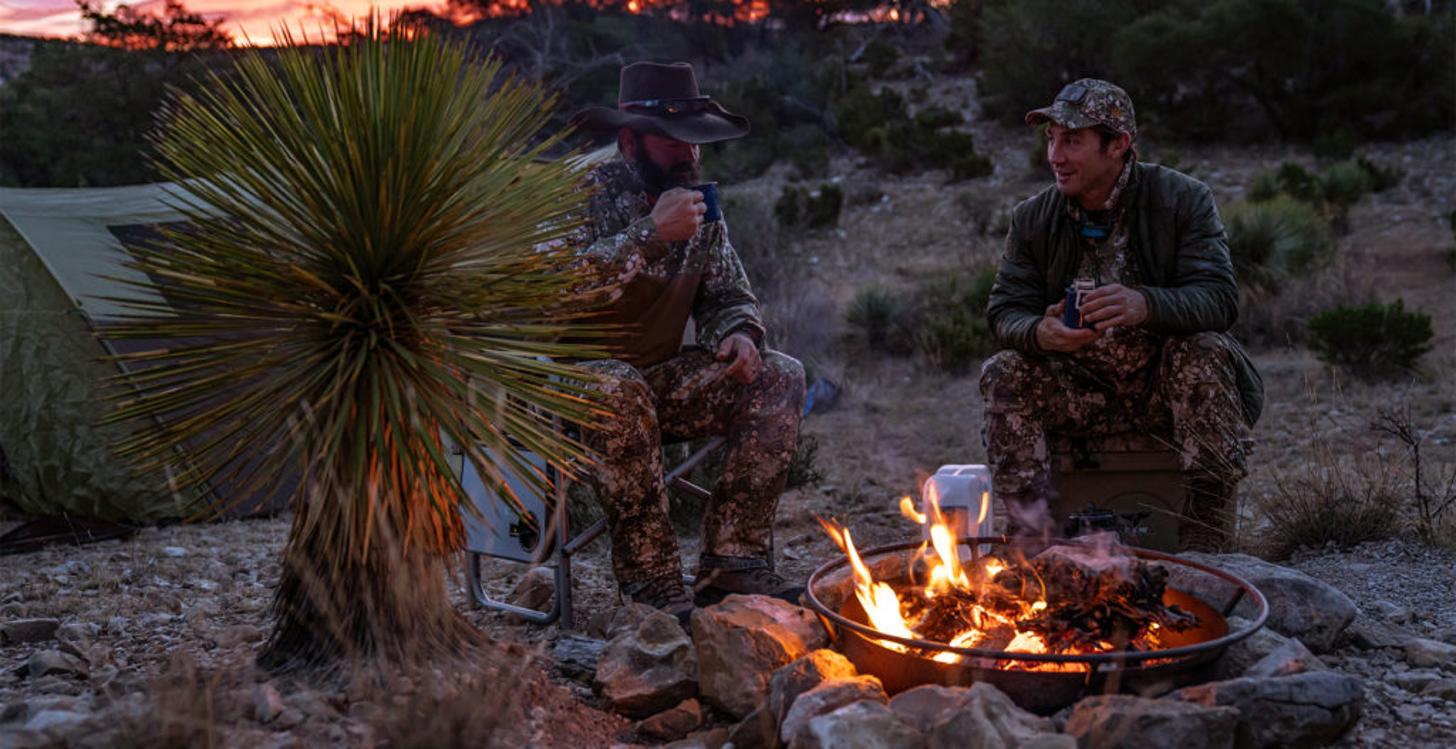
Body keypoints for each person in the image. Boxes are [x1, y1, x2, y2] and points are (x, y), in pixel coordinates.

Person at [980, 79, 1263, 551]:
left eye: (1072, 140)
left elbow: (1219, 299)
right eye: (1051, 139)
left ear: (1118, 146)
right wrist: (1040, 332)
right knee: (1003, 371)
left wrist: (1144, 304)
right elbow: (1004, 310)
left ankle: (1206, 547)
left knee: (1205, 352)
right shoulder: (1034, 218)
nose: (1055, 156)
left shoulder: (1182, 200)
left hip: (1161, 385)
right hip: (1077, 389)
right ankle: (1031, 548)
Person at [567, 62, 806, 621]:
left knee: (780, 374)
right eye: (673, 140)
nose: (687, 154)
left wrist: (740, 335)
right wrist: (649, 235)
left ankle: (733, 564)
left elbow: (729, 295)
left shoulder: (697, 199)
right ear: (629, 142)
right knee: (618, 387)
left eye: (695, 142)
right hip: (567, 390)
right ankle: (651, 582)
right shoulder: (577, 194)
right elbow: (555, 288)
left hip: (652, 381)